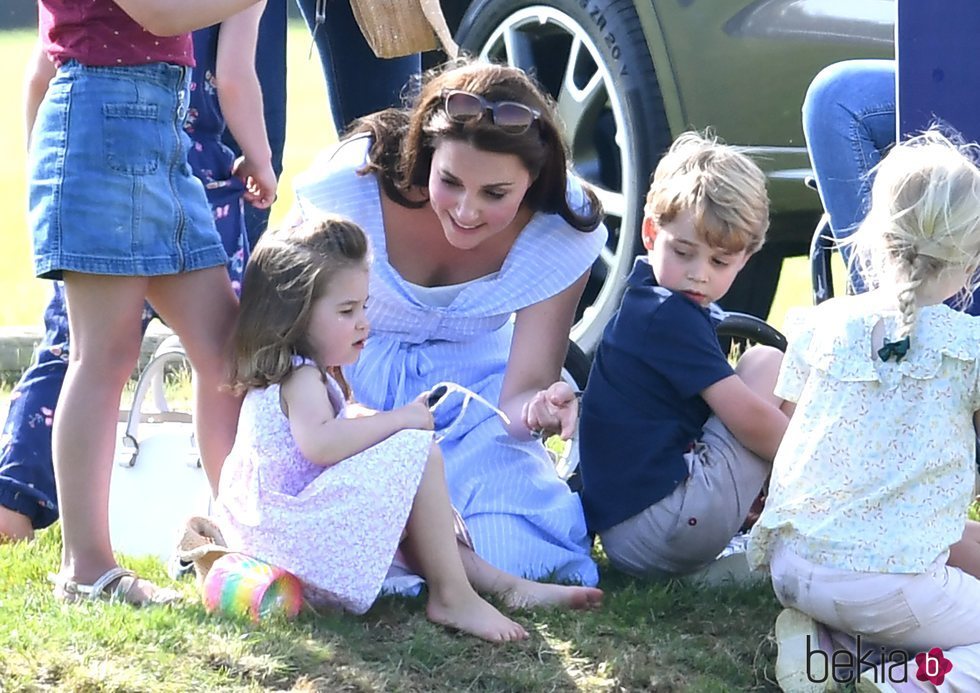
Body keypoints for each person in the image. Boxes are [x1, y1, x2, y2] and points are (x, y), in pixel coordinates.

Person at [289, 59, 608, 586]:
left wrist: (539, 408)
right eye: (450, 181)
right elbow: (284, 329)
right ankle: (435, 568)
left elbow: (517, 398)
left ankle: (462, 570)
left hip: (471, 401)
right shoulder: (349, 188)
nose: (465, 210)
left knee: (517, 547)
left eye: (495, 194)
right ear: (426, 153)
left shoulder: (562, 231)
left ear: (534, 181)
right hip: (348, 392)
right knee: (334, 538)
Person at [211, 217, 603, 641]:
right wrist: (399, 420)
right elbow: (320, 445)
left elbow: (325, 435)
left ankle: (502, 586)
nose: (363, 322)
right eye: (347, 311)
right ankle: (453, 597)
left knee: (407, 484)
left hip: (284, 527)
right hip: (287, 538)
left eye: (364, 306)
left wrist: (375, 426)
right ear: (295, 314)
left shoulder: (303, 373)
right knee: (420, 456)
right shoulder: (301, 377)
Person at [0, 2, 277, 544]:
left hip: (162, 132)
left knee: (226, 349)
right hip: (100, 120)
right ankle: (87, 567)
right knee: (103, 354)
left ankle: (241, 541)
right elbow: (158, 13)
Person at [747, 130, 980, 692]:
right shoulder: (967, 348)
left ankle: (825, 650)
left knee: (913, 578)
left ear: (876, 235)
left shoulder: (821, 324)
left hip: (792, 567)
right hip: (882, 583)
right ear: (970, 259)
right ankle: (908, 681)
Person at [576, 131, 791, 579]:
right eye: (683, 252)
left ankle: (766, 529)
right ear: (651, 232)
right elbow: (750, 421)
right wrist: (829, 462)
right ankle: (825, 514)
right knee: (769, 365)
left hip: (631, 534)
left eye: (719, 262)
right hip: (663, 524)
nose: (698, 276)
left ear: (744, 259)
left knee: (762, 374)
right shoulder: (666, 316)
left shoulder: (647, 301)